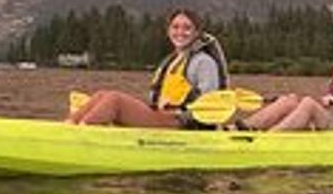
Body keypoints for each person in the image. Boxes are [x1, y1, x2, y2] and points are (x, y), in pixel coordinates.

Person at [69, 8, 230, 127]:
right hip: (162, 116)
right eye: (175, 27)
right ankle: (70, 125)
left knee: (114, 100)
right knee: (101, 95)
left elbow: (209, 102)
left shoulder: (203, 62)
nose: (180, 32)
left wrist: (180, 112)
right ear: (168, 31)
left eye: (187, 28)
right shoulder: (173, 61)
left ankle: (81, 132)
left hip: (180, 122)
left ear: (196, 33)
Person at [241, 21, 333, 132]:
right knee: (290, 100)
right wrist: (332, 101)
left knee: (309, 104)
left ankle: (268, 139)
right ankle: (242, 128)